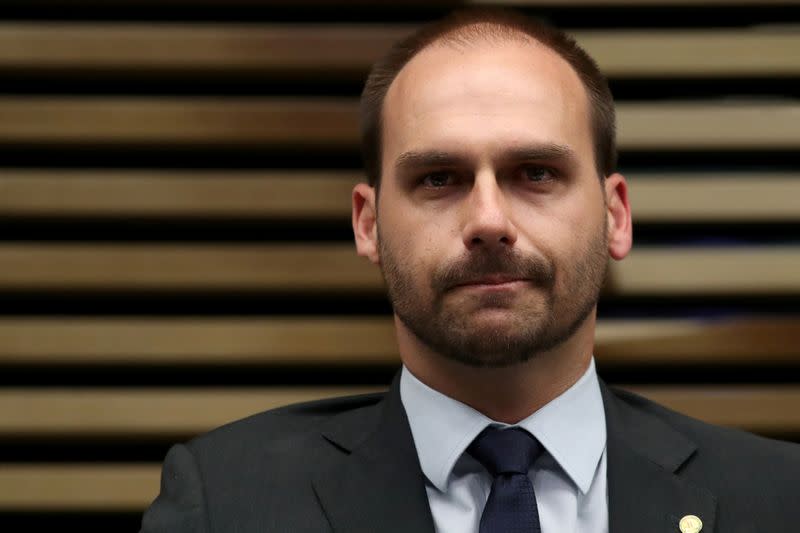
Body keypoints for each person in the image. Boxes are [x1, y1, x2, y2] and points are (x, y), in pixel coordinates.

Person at [140, 7, 800, 533]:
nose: (488, 218)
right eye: (439, 177)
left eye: (536, 173)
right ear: (368, 224)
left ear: (615, 215)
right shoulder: (226, 505)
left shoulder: (777, 500)